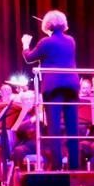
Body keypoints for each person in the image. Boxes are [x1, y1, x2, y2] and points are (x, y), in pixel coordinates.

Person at [23, 10, 79, 172]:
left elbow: (29, 58)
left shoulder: (45, 42)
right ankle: (75, 166)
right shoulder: (71, 40)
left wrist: (25, 44)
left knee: (54, 127)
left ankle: (57, 166)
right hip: (71, 86)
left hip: (53, 87)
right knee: (72, 127)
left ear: (47, 25)